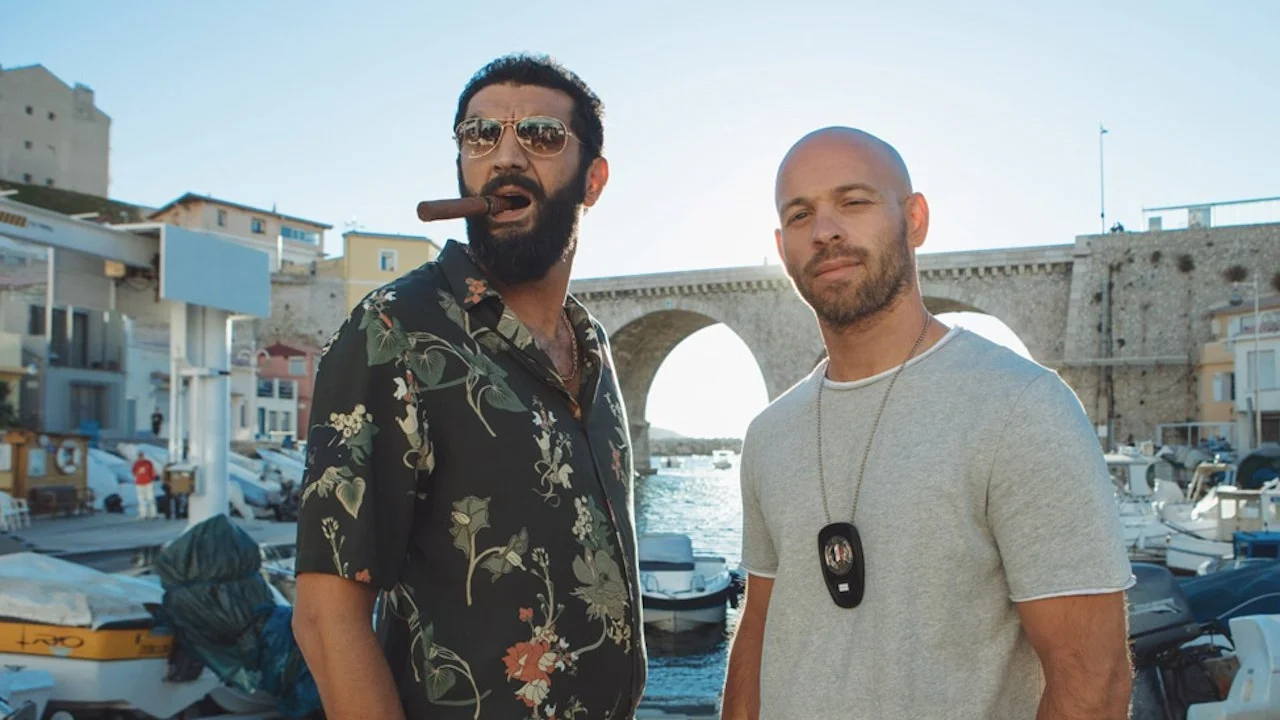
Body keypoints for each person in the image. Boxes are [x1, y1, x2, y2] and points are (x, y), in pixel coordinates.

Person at [720, 127, 1135, 719]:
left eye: (854, 201)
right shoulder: (769, 434)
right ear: (782, 247)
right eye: (800, 214)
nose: (825, 230)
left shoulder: (1022, 407)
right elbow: (759, 626)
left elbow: (1092, 679)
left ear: (914, 219)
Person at [292, 53, 646, 719]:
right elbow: (325, 617)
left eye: (541, 135)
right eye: (480, 135)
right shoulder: (394, 330)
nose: (505, 156)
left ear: (593, 180)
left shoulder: (593, 344)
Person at [131, 451, 157, 520]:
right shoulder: (137, 464)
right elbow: (134, 472)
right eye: (140, 456)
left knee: (149, 499)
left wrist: (151, 479)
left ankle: (151, 514)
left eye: (141, 456)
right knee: (143, 500)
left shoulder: (146, 463)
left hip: (146, 483)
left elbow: (152, 472)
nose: (140, 457)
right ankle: (145, 514)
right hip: (141, 483)